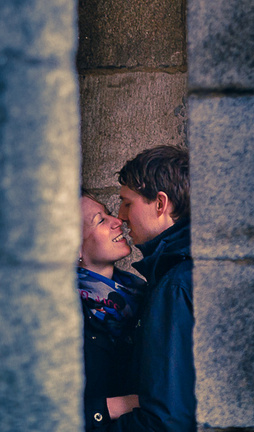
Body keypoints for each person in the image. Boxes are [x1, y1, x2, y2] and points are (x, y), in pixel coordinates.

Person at [109, 145, 194, 432]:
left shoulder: (177, 283)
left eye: (127, 203)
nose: (120, 216)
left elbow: (165, 421)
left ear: (160, 204)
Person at [81, 195, 143, 427]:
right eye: (100, 221)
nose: (117, 220)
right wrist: (117, 406)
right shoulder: (57, 314)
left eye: (108, 213)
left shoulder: (141, 293)